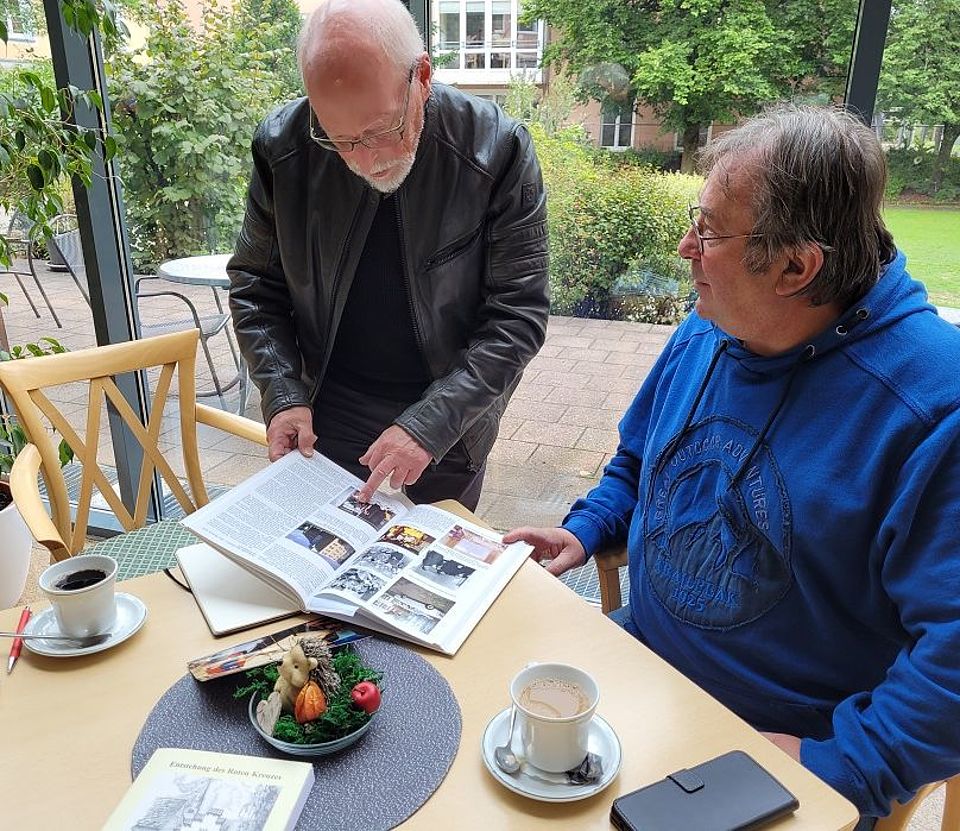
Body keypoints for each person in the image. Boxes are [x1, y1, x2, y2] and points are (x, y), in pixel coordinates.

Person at [505, 104, 960, 825]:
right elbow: (638, 456)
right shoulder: (709, 324)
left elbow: (954, 668)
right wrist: (588, 528)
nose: (687, 245)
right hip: (637, 665)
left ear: (796, 266)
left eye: (711, 229)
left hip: (768, 749)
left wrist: (834, 764)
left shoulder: (934, 407)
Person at [228, 0, 548, 510]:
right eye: (339, 139)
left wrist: (429, 425)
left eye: (380, 130)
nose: (365, 159)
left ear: (421, 75)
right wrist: (282, 393)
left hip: (450, 416)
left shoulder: (498, 149)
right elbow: (255, 288)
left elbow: (518, 317)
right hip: (326, 410)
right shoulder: (283, 147)